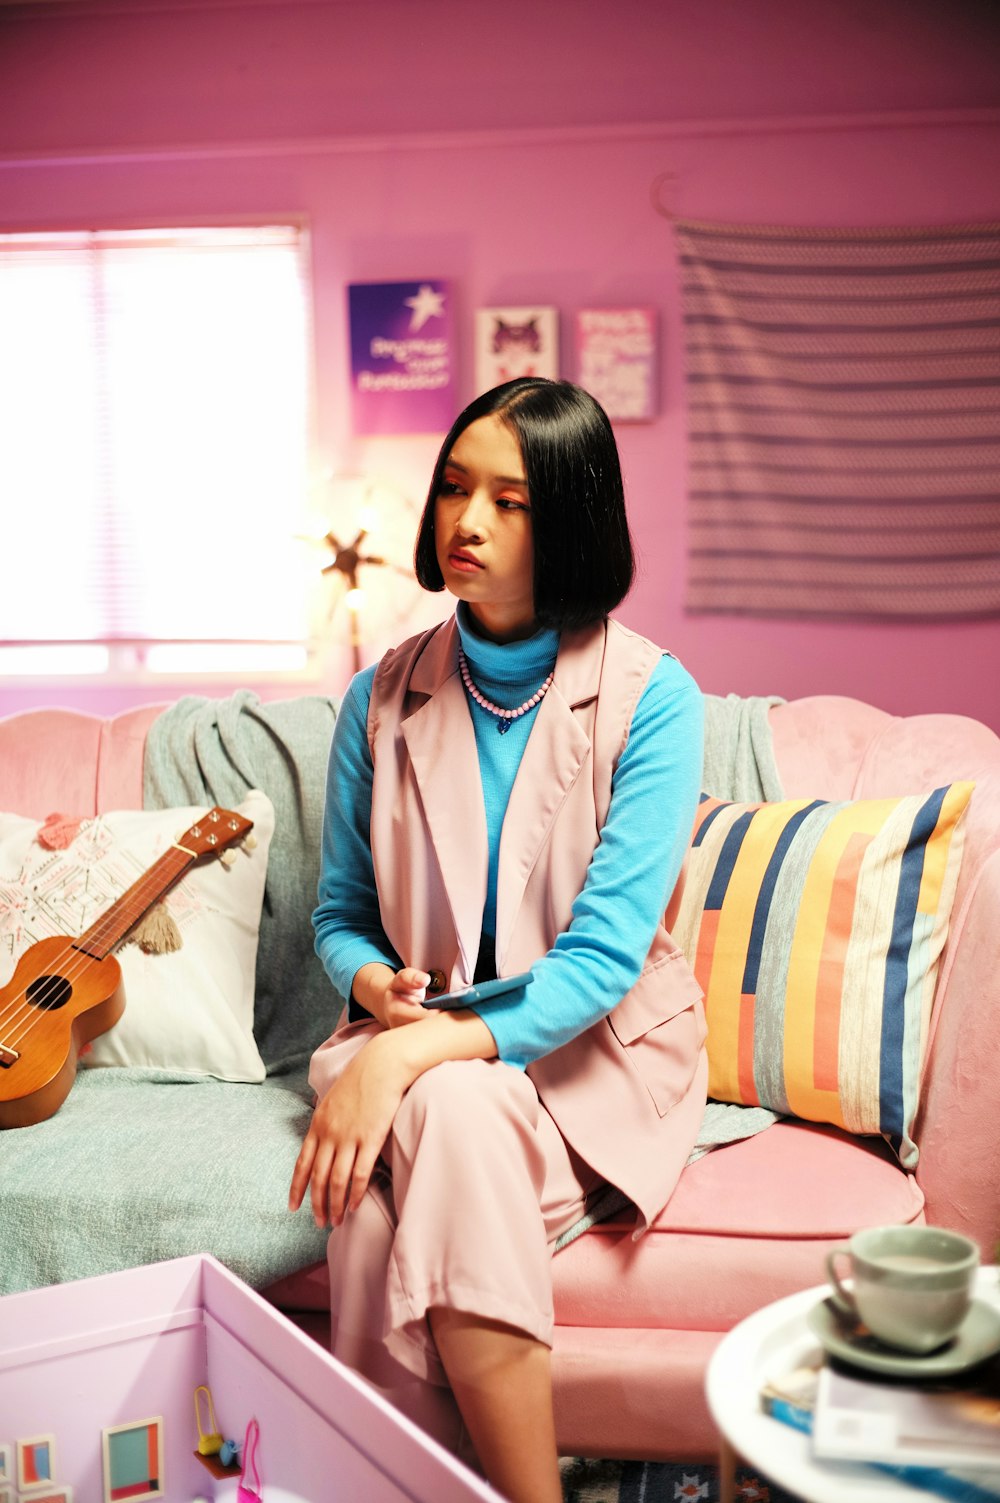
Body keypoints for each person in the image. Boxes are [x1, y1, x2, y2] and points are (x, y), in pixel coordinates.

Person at [289, 377, 707, 1503]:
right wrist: (375, 992)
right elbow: (338, 916)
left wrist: (404, 1055)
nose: (464, 520)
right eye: (456, 488)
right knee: (456, 1109)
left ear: (569, 516)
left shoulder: (656, 700)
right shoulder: (379, 696)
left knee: (376, 1231)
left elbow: (600, 964)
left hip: (588, 1053)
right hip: (409, 1046)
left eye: (510, 501)